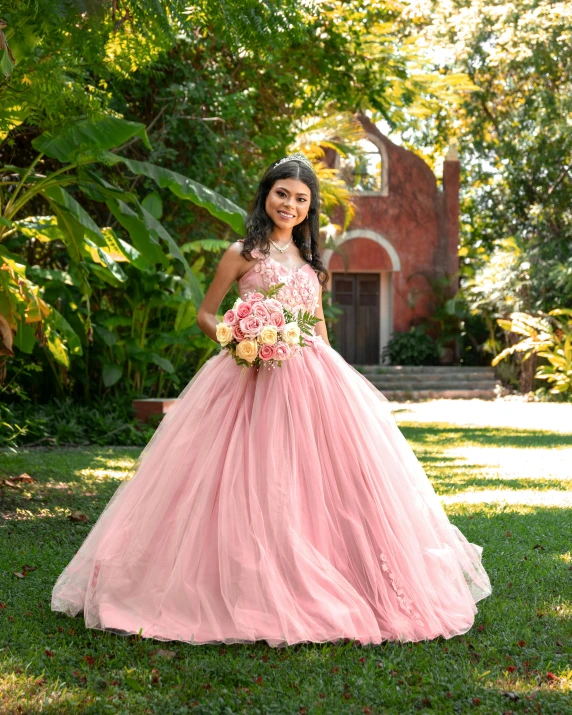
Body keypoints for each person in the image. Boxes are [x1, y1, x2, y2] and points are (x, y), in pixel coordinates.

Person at [51, 154, 492, 647]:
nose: (290, 204)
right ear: (266, 195)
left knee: (320, 481)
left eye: (301, 199)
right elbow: (205, 313)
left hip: (310, 378)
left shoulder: (312, 266)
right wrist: (239, 339)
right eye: (283, 193)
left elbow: (319, 327)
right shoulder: (242, 252)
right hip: (247, 374)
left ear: (309, 209)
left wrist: (333, 375)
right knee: (240, 477)